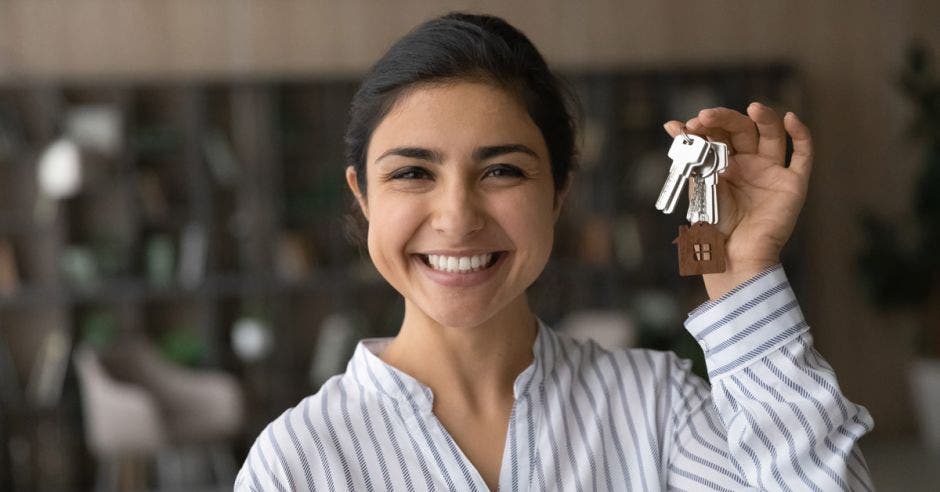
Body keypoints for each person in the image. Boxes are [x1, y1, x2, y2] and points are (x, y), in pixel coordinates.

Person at [236, 12, 873, 491]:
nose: (457, 219)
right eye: (411, 173)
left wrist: (743, 279)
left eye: (503, 171)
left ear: (558, 193)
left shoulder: (654, 406)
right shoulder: (296, 461)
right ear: (364, 196)